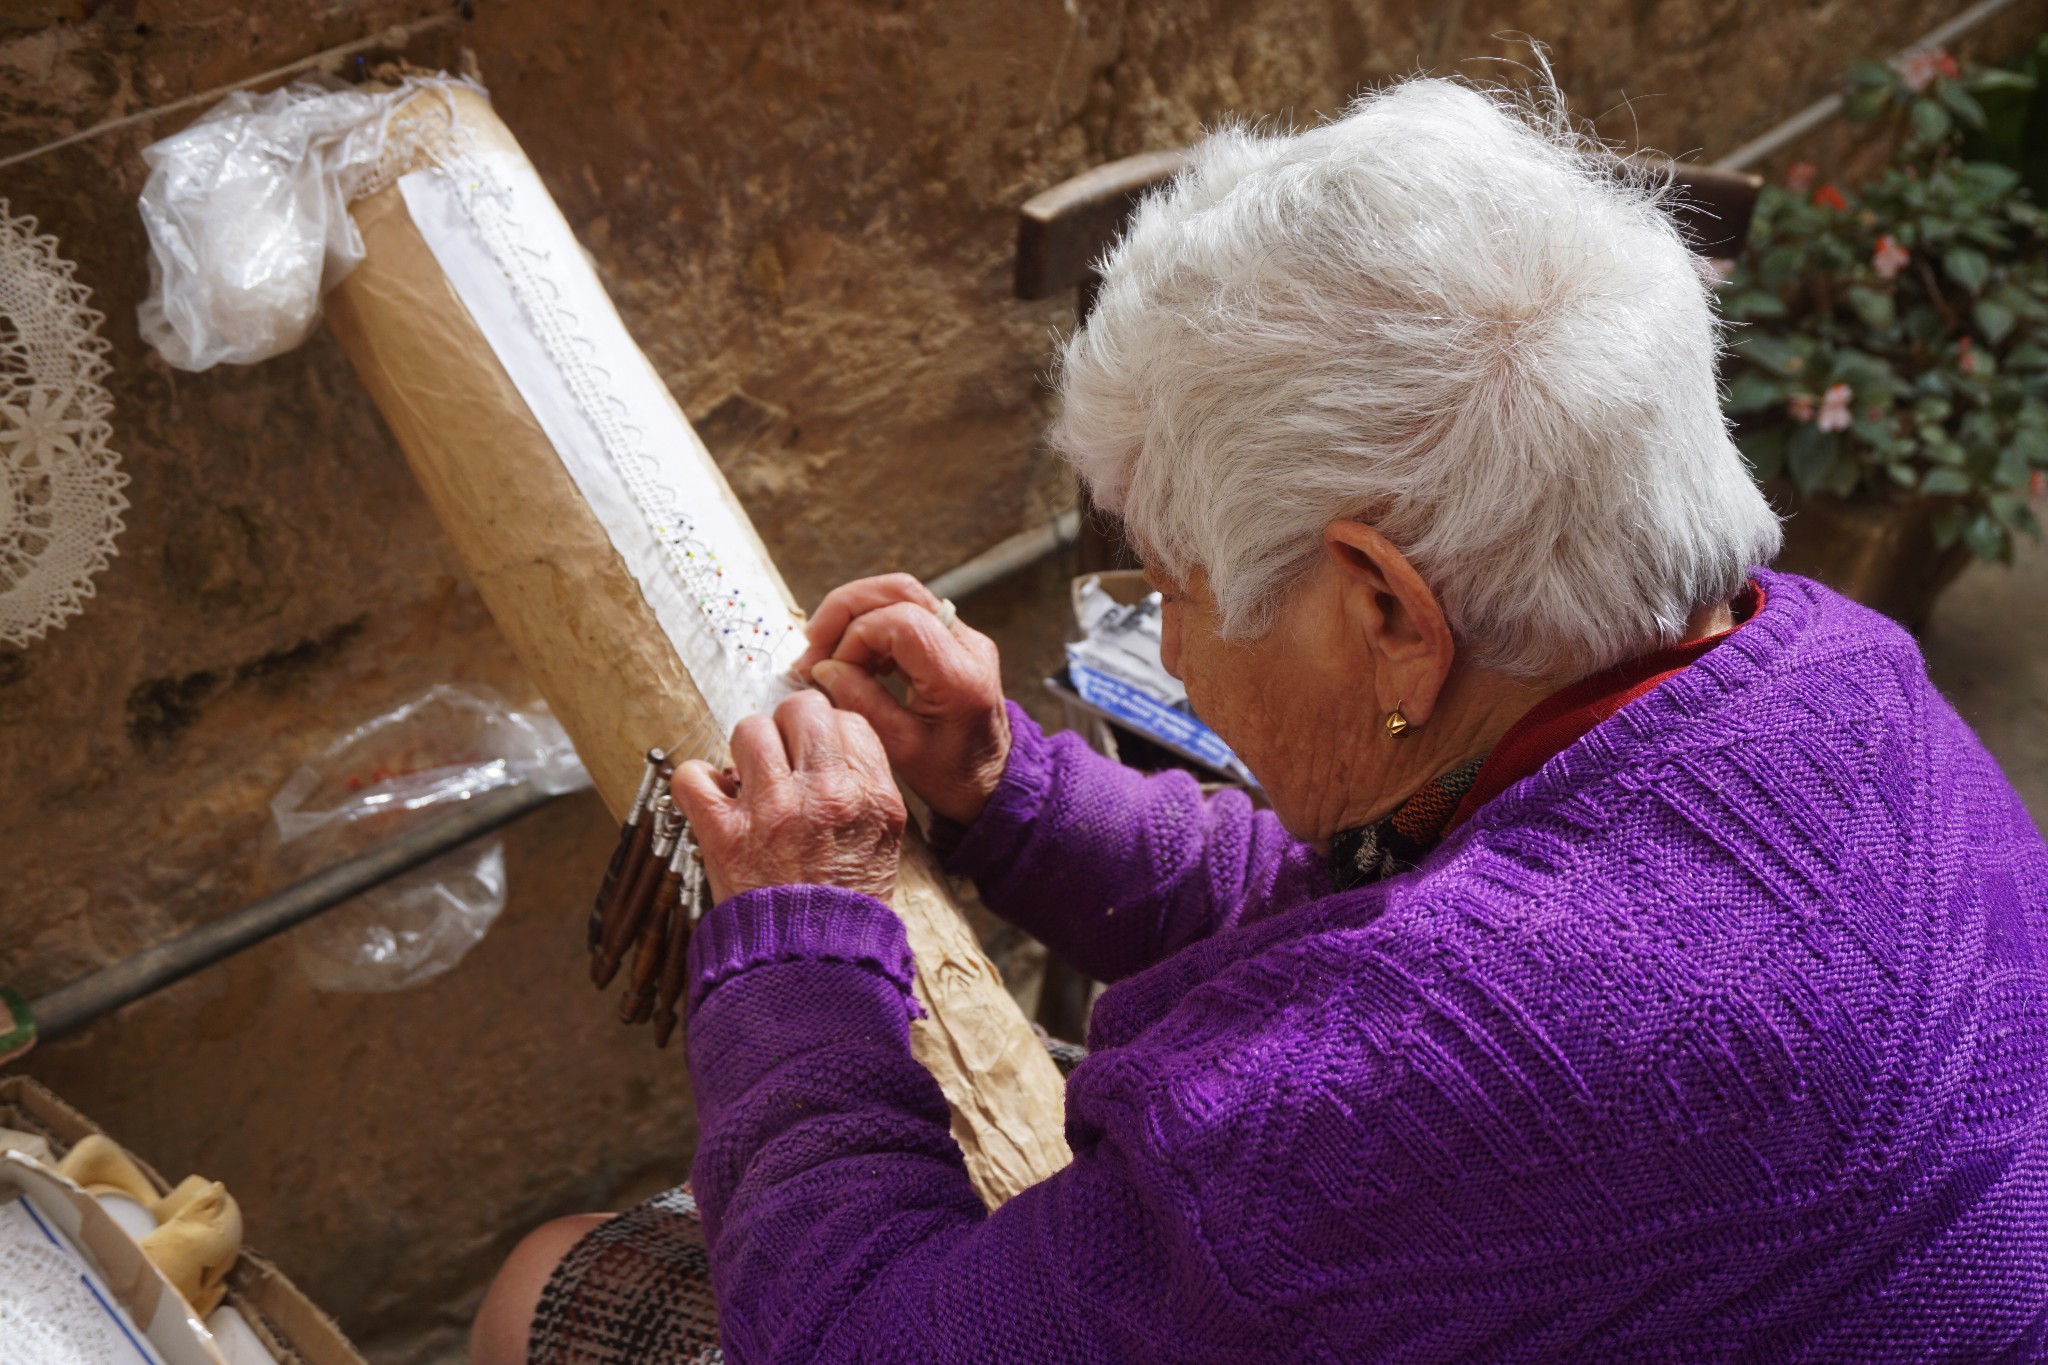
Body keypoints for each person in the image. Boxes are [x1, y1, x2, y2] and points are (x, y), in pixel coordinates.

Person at [473, 77, 2048, 1363]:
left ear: (1386, 614)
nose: (1167, 635)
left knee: (547, 1283)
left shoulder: (1381, 1097)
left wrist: (804, 949)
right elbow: (1377, 921)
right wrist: (1010, 784)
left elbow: (873, 1344)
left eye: (1172, 580)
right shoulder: (1822, 673)